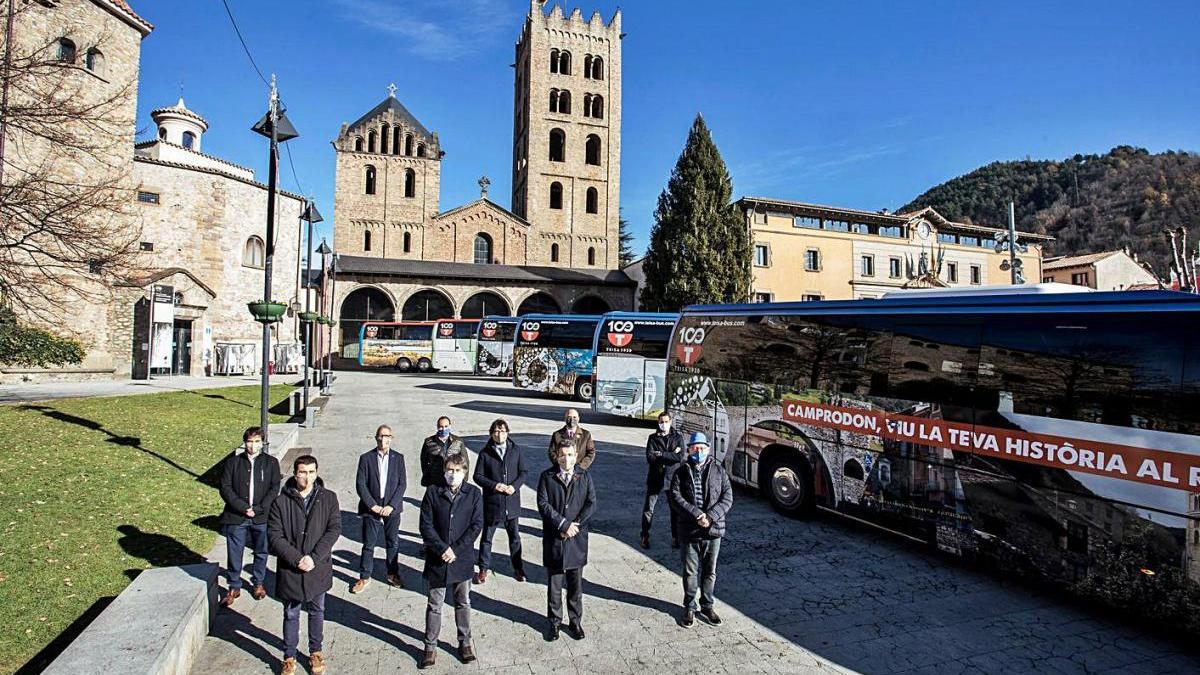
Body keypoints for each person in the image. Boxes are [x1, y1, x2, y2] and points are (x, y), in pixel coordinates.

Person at [268, 455, 341, 675]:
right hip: (292, 567)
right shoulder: (281, 501)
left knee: (317, 610)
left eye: (310, 472)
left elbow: (333, 529)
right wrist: (296, 558)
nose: (306, 477)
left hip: (317, 566)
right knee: (291, 613)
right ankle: (289, 655)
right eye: (302, 472)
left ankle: (315, 651)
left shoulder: (328, 498)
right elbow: (274, 535)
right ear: (295, 474)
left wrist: (313, 557)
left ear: (316, 473)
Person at [418, 452, 484, 668]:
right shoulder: (432, 493)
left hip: (461, 558)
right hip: (438, 559)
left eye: (457, 471)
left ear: (465, 471)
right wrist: (441, 548)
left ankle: (464, 642)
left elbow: (476, 525)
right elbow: (425, 525)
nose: (453, 475)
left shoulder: (474, 493)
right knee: (434, 604)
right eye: (449, 470)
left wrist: (455, 549)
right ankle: (430, 646)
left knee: (462, 601)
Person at [668, 432, 733, 628]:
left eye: (702, 448)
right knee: (690, 572)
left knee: (709, 572)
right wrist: (697, 514)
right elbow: (675, 497)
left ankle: (707, 605)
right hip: (690, 530)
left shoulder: (718, 470)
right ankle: (689, 607)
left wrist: (710, 516)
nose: (698, 451)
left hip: (713, 530)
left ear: (708, 449)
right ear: (688, 450)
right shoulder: (681, 472)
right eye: (695, 448)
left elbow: (727, 497)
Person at [536, 440, 596, 641]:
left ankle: (575, 621)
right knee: (554, 585)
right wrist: (562, 525)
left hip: (576, 539)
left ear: (576, 456)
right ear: (557, 456)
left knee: (575, 585)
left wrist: (575, 525)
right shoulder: (547, 477)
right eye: (562, 455)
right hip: (555, 537)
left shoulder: (584, 476)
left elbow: (591, 503)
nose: (566, 459)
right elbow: (543, 504)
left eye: (570, 455)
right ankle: (553, 622)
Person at [218, 426, 282, 607]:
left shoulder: (271, 463)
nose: (253, 446)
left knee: (261, 551)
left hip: (261, 516)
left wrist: (259, 508)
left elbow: (274, 488)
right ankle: (233, 585)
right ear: (244, 443)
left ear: (262, 443)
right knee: (234, 552)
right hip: (237, 516)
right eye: (249, 442)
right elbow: (225, 488)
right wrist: (243, 507)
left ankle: (258, 582)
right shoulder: (233, 463)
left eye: (257, 442)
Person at [352, 424, 408, 593]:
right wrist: (372, 505)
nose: (384, 439)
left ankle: (392, 573)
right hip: (372, 508)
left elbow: (402, 484)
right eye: (381, 436)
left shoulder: (398, 458)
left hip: (392, 507)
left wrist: (392, 505)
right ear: (376, 438)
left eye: (387, 436)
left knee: (392, 543)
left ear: (391, 438)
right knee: (369, 544)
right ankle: (364, 576)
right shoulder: (366, 458)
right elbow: (360, 484)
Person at [473, 418, 528, 584]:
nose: (500, 434)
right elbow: (478, 476)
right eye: (496, 431)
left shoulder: (515, 450)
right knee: (487, 538)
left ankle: (518, 568)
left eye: (503, 431)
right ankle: (483, 569)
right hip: (493, 502)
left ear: (507, 433)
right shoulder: (485, 453)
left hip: (511, 502)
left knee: (515, 538)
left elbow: (523, 472)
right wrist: (494, 485)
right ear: (491, 433)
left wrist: (515, 486)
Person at [641, 411, 685, 550]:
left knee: (674, 509)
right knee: (649, 508)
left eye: (666, 421)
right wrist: (670, 454)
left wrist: (661, 454)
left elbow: (679, 457)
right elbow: (650, 457)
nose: (663, 424)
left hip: (672, 478)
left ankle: (675, 537)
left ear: (671, 422)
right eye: (661, 422)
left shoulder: (677, 437)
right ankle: (644, 535)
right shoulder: (652, 438)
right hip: (656, 477)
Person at [421, 416, 469, 487]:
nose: (443, 429)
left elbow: (465, 461)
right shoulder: (429, 442)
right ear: (437, 427)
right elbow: (424, 461)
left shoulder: (458, 441)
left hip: (452, 477)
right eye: (441, 427)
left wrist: (464, 479)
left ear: (450, 426)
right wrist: (427, 476)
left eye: (446, 426)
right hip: (435, 479)